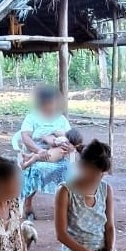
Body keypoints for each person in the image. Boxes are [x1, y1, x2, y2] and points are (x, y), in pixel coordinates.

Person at [54, 139, 122, 251]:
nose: (98, 178)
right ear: (81, 166)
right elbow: (61, 235)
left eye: (101, 174)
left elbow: (110, 227)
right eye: (93, 173)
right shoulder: (65, 192)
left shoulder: (106, 189)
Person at [18, 86, 74, 220]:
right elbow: (25, 137)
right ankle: (28, 204)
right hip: (38, 151)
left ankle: (65, 205)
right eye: (50, 103)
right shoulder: (31, 118)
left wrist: (69, 146)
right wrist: (38, 150)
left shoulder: (61, 120)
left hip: (58, 156)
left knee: (68, 170)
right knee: (35, 170)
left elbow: (71, 138)